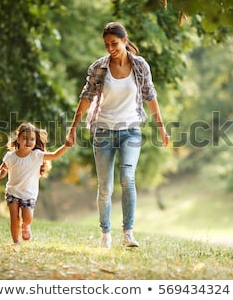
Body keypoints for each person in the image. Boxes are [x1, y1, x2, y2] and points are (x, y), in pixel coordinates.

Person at [65, 22, 170, 248]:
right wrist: (72, 128)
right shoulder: (98, 68)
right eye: (106, 45)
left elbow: (150, 96)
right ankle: (105, 234)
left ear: (124, 40)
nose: (110, 48)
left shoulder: (140, 66)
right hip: (103, 130)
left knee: (128, 178)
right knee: (105, 187)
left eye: (114, 43)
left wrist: (161, 127)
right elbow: (86, 98)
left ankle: (128, 233)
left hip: (130, 131)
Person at [0, 122, 69, 245]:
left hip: (28, 194)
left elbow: (55, 155)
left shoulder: (36, 155)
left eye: (32, 139)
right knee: (14, 219)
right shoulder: (10, 156)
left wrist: (66, 146)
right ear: (18, 139)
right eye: (25, 138)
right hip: (12, 191)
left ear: (36, 141)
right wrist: (1, 173)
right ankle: (16, 242)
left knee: (27, 218)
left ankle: (25, 226)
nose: (29, 141)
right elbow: (0, 170)